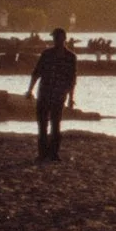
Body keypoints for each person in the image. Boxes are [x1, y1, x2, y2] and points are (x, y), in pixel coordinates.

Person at [23, 28, 77, 161]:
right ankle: (46, 154)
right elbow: (37, 73)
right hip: (48, 94)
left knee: (53, 125)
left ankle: (51, 154)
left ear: (63, 39)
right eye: (55, 38)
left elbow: (71, 79)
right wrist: (30, 90)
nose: (55, 40)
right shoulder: (50, 54)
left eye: (56, 38)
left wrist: (71, 98)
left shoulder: (67, 57)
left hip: (55, 95)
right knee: (46, 125)